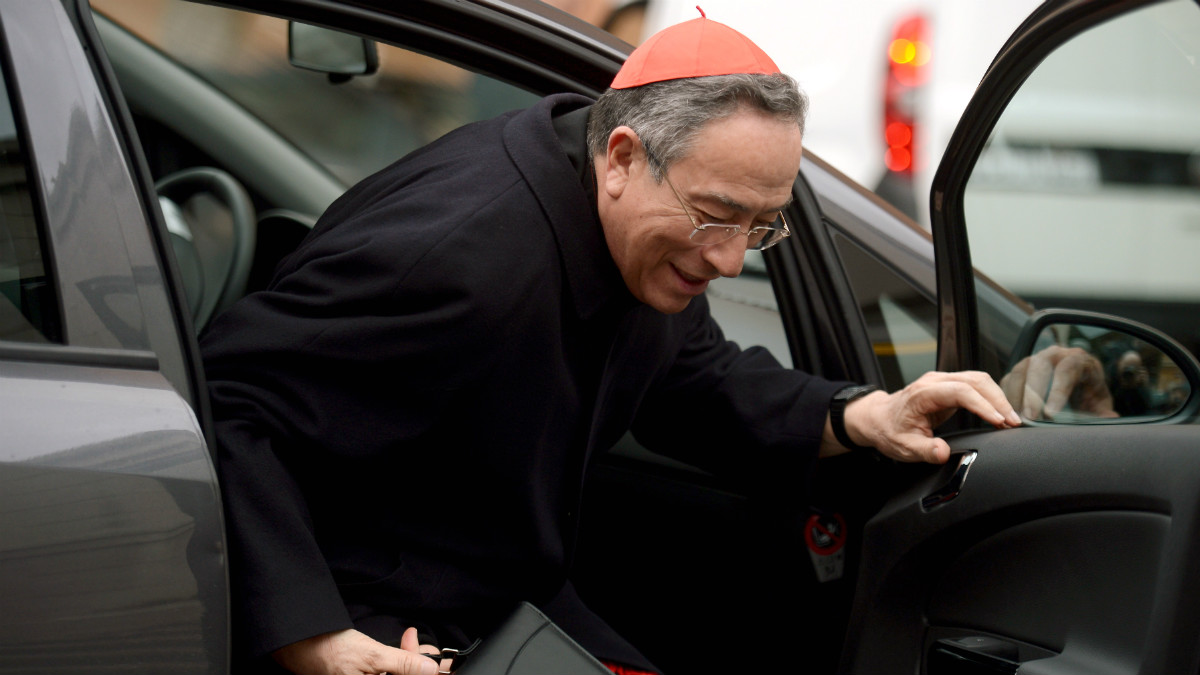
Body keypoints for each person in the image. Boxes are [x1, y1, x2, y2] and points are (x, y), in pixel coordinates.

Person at [200, 11, 1020, 675]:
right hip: (367, 610)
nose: (730, 257)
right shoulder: (459, 255)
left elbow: (690, 378)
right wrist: (314, 639)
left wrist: (861, 414)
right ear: (624, 155)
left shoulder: (628, 222)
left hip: (498, 593)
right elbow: (230, 402)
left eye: (760, 228)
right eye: (715, 215)